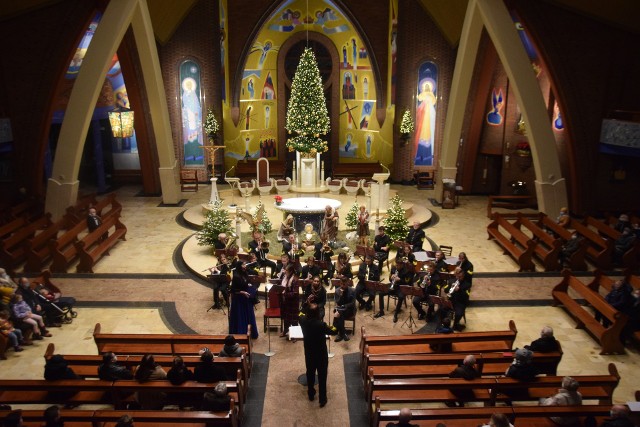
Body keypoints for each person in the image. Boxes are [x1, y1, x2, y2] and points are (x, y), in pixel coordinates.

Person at [299, 302, 338, 407]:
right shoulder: (321, 325)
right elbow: (334, 330)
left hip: (309, 353)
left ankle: (311, 394)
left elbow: (300, 313)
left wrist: (306, 303)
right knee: (322, 376)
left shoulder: (303, 321)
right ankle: (322, 399)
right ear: (318, 314)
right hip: (321, 355)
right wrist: (336, 318)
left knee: (310, 374)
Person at [375, 258, 414, 323]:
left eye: (398, 265)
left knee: (401, 297)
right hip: (393, 286)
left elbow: (408, 283)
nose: (397, 267)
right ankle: (381, 311)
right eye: (396, 265)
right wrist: (391, 278)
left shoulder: (407, 271)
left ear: (402, 265)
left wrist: (400, 280)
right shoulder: (394, 269)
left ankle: (396, 314)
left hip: (401, 288)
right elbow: (390, 279)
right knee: (381, 293)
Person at [228, 259, 258, 339]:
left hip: (246, 299)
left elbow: (246, 282)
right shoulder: (236, 276)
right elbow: (233, 290)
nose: (245, 266)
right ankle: (241, 334)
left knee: (249, 316)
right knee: (241, 317)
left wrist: (250, 285)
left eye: (245, 264)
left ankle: (251, 333)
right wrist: (242, 292)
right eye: (243, 265)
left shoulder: (245, 273)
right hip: (239, 300)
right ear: (239, 266)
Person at [442, 267, 471, 331]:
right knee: (442, 308)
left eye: (460, 277)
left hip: (460, 302)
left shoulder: (467, 285)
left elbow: (466, 296)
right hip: (451, 300)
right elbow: (445, 290)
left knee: (459, 313)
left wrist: (459, 290)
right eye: (457, 277)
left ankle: (455, 325)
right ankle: (444, 323)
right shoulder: (451, 280)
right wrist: (450, 287)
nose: (458, 278)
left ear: (463, 276)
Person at [280, 263, 300, 337]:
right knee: (286, 318)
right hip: (286, 302)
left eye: (286, 270)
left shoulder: (295, 280)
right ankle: (285, 332)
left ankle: (295, 335)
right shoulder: (286, 277)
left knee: (294, 320)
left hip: (293, 303)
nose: (285, 271)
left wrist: (284, 294)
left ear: (291, 271)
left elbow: (295, 293)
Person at [334, 276, 356, 342]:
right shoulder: (337, 291)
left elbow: (352, 303)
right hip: (341, 310)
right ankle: (343, 333)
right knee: (340, 313)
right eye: (341, 284)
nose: (342, 286)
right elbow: (338, 303)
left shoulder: (352, 290)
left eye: (344, 284)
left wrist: (344, 305)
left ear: (347, 283)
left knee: (339, 314)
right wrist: (340, 296)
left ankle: (340, 334)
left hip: (350, 309)